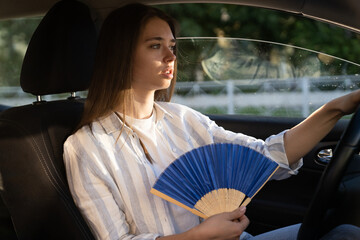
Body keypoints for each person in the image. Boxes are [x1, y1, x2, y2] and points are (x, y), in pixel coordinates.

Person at [63, 3, 360, 240]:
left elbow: (266, 157)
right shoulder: (86, 147)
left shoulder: (182, 120)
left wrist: (337, 107)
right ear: (120, 55)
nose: (171, 56)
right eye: (155, 46)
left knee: (346, 233)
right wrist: (198, 236)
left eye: (172, 46)